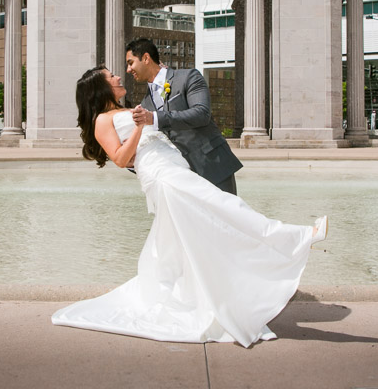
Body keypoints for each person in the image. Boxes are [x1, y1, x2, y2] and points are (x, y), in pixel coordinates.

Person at [51, 66, 327, 347]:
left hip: (175, 168)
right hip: (163, 176)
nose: (118, 77)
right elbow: (121, 159)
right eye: (111, 76)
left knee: (194, 241)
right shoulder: (101, 120)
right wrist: (140, 127)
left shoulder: (129, 109)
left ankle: (209, 303)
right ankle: (298, 236)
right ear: (100, 87)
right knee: (224, 206)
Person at [125, 37, 242, 195]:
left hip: (213, 166)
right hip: (181, 178)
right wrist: (133, 161)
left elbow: (201, 114)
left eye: (130, 62)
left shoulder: (188, 77)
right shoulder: (145, 104)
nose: (128, 69)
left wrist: (154, 118)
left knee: (230, 217)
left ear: (146, 58)